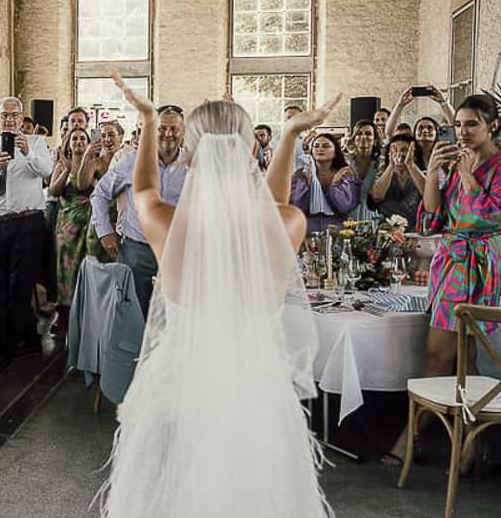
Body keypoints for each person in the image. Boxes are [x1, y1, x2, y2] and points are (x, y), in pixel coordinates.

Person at [102, 72, 336, 517]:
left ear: (189, 156)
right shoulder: (289, 223)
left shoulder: (163, 222)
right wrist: (288, 135)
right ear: (252, 151)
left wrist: (149, 120)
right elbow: (272, 205)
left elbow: (144, 188)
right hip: (255, 383)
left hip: (179, 382)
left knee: (167, 492)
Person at [382, 94, 501, 470]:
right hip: (452, 265)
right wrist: (433, 171)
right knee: (450, 357)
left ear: (492, 126)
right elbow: (432, 216)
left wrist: (466, 175)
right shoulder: (451, 160)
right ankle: (442, 442)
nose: (463, 132)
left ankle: (443, 444)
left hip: (485, 266)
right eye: (460, 124)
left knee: (462, 359)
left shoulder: (497, 165)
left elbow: (488, 215)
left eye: (472, 125)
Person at [0, 97, 54, 374]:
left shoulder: (38, 143)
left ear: (22, 118)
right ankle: (27, 338)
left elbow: (48, 172)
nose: (9, 120)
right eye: (4, 115)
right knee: (0, 285)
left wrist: (28, 151)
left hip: (29, 221)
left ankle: (5, 352)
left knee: (21, 286)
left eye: (14, 115)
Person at [90, 104, 187, 317]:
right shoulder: (132, 162)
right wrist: (105, 231)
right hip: (137, 252)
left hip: (179, 253)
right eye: (162, 128)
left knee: (178, 316)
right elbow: (100, 194)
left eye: (174, 129)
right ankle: (136, 352)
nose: (168, 134)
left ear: (183, 132)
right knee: (133, 314)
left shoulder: (194, 164)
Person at [50, 128, 93, 308]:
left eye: (83, 138)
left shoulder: (93, 163)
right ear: (68, 143)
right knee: (65, 267)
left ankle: (85, 307)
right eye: (74, 139)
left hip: (89, 225)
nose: (79, 142)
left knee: (86, 265)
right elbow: (54, 191)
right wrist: (67, 170)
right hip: (68, 225)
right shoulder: (61, 165)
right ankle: (65, 308)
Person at [291, 133, 361, 234]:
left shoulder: (345, 173)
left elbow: (346, 207)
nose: (320, 149)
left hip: (337, 230)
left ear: (335, 152)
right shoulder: (300, 174)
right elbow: (296, 207)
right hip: (307, 230)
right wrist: (307, 184)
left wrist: (335, 185)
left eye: (326, 146)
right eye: (316, 146)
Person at [79, 121, 124, 261]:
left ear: (121, 137)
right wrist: (87, 156)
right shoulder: (96, 163)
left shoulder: (127, 160)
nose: (107, 139)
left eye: (111, 135)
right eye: (103, 136)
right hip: (100, 221)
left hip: (121, 221)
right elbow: (82, 185)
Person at [370, 133, 425, 229]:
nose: (399, 154)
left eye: (404, 150)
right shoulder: (381, 174)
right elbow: (377, 197)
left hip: (416, 231)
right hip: (387, 232)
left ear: (414, 154)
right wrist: (391, 166)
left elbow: (428, 194)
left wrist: (410, 165)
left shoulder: (422, 174)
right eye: (394, 150)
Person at [346, 120, 381, 222]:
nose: (363, 137)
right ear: (354, 139)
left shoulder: (381, 163)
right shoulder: (345, 161)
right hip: (347, 218)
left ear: (375, 140)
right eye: (359, 134)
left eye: (368, 134)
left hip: (374, 217)